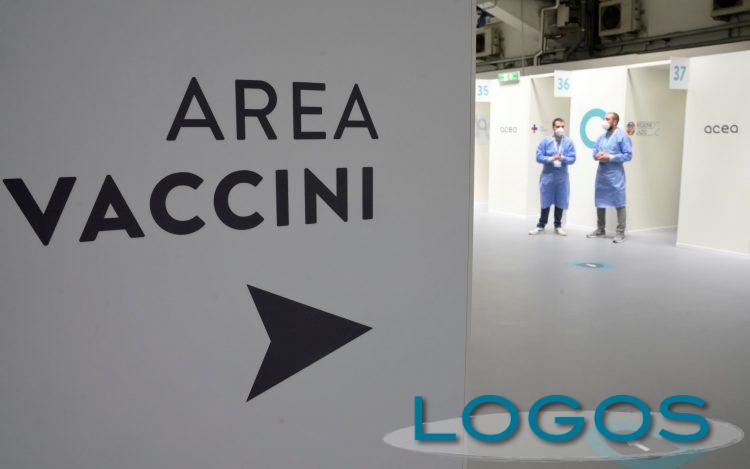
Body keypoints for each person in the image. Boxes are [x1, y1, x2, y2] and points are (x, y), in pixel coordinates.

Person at [586, 112, 633, 243]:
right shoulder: (602, 137)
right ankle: (600, 230)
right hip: (602, 174)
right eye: (604, 119)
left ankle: (620, 232)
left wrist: (611, 157)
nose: (604, 121)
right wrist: (596, 156)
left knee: (619, 202)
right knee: (600, 201)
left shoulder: (622, 136)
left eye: (607, 119)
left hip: (615, 174)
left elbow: (628, 155)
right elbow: (595, 153)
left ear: (615, 122)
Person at [529, 118, 576, 236]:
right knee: (545, 200)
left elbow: (573, 158)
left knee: (560, 200)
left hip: (562, 177)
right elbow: (538, 157)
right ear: (553, 127)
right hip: (548, 176)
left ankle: (558, 226)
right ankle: (541, 225)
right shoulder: (545, 141)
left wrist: (562, 158)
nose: (560, 129)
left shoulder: (568, 142)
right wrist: (551, 158)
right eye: (558, 126)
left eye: (562, 126)